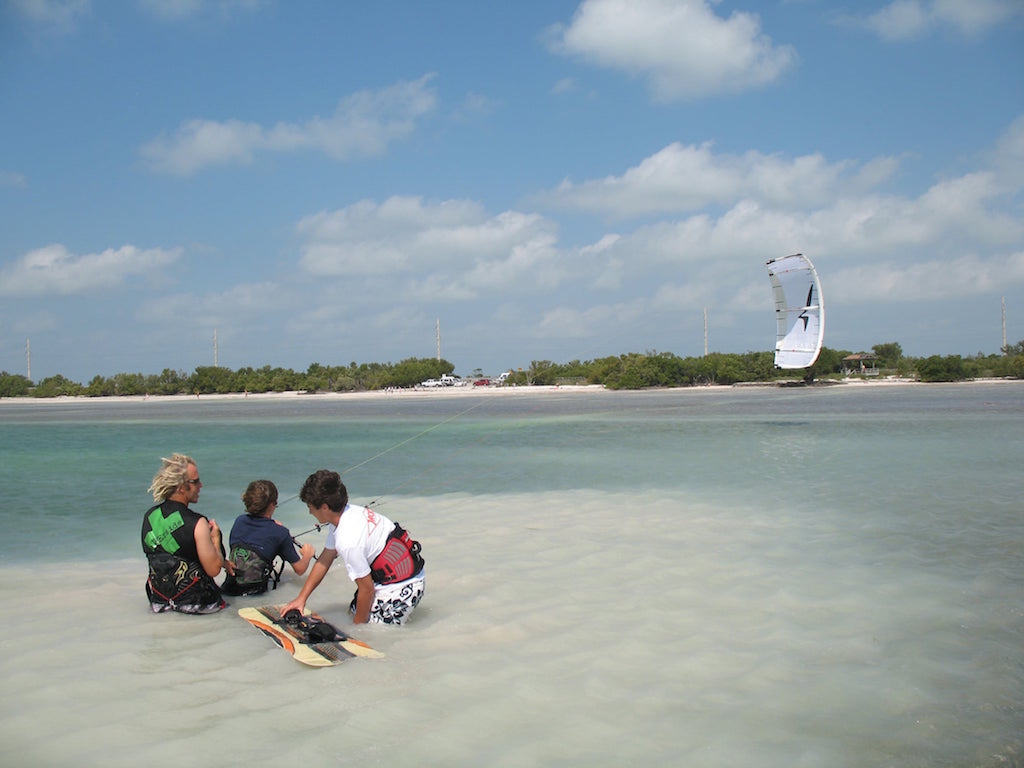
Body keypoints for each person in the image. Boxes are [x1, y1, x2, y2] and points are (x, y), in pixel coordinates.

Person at [280, 469, 425, 625]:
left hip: (402, 587)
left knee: (370, 632)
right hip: (389, 578)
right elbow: (325, 559)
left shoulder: (348, 540)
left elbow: (367, 589)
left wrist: (357, 631)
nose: (309, 512)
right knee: (352, 613)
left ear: (324, 507)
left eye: (310, 507)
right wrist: (301, 599)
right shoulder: (346, 514)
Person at [141, 453, 233, 614]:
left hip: (159, 605)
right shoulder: (197, 523)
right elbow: (213, 570)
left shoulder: (149, 517)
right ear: (181, 487)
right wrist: (216, 539)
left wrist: (224, 561)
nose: (201, 485)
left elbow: (174, 554)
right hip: (198, 607)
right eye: (196, 481)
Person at [221, 479, 315, 596]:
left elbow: (256, 535)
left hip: (228, 590)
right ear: (271, 505)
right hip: (255, 594)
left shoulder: (239, 521)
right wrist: (307, 555)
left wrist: (271, 524)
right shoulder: (280, 533)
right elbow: (300, 570)